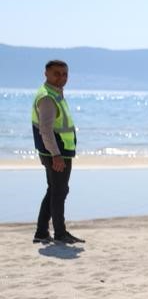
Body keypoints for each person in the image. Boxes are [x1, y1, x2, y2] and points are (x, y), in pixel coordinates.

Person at [31, 60, 84, 245]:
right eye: (57, 73)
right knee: (59, 191)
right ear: (46, 73)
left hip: (59, 151)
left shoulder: (55, 93)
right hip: (55, 153)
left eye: (65, 74)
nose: (62, 77)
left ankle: (41, 232)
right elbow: (45, 130)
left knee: (55, 190)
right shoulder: (47, 97)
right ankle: (60, 233)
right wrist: (55, 155)